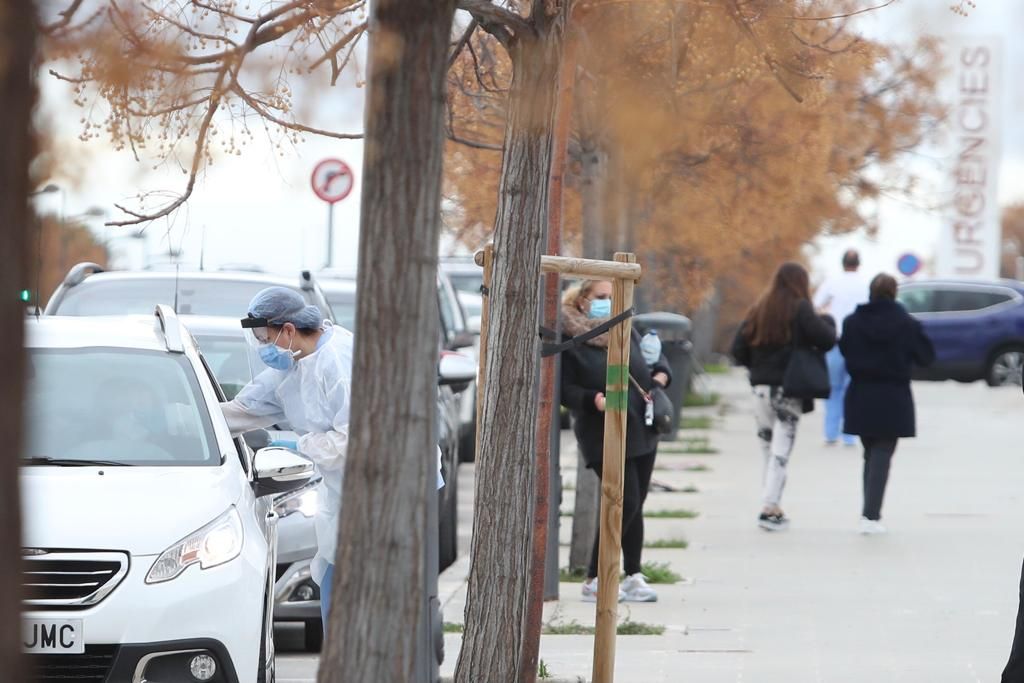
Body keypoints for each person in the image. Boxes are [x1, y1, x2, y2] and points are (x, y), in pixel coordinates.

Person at [219, 287, 353, 629]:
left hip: (393, 489)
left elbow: (354, 441)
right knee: (337, 593)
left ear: (289, 330)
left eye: (265, 339)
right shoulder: (293, 366)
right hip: (344, 494)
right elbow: (240, 412)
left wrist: (302, 446)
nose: (263, 348)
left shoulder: (338, 361)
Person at [560, 279, 671, 603]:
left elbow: (653, 362)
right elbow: (565, 389)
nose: (608, 303)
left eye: (611, 297)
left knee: (636, 505)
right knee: (626, 501)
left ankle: (633, 574)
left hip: (642, 427)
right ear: (582, 300)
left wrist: (662, 375)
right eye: (601, 297)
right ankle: (596, 577)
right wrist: (593, 399)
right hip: (602, 430)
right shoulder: (571, 337)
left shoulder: (624, 328)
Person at [731, 262, 836, 531]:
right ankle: (768, 508)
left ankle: (772, 504)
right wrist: (825, 317)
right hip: (788, 390)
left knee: (768, 447)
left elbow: (737, 348)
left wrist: (756, 367)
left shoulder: (759, 308)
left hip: (761, 389)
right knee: (781, 450)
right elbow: (826, 339)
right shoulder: (800, 308)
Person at [839, 273, 934, 534]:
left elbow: (845, 350)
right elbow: (926, 356)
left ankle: (868, 512)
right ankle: (870, 516)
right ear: (894, 294)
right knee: (882, 453)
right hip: (893, 395)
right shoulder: (907, 323)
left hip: (861, 393)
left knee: (870, 452)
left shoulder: (852, 322)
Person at [813, 249, 868, 446]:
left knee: (833, 388)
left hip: (835, 341)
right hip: (858, 344)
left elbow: (816, 305)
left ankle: (830, 433)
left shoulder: (832, 282)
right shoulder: (865, 285)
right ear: (858, 264)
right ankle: (850, 434)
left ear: (842, 263)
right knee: (852, 388)